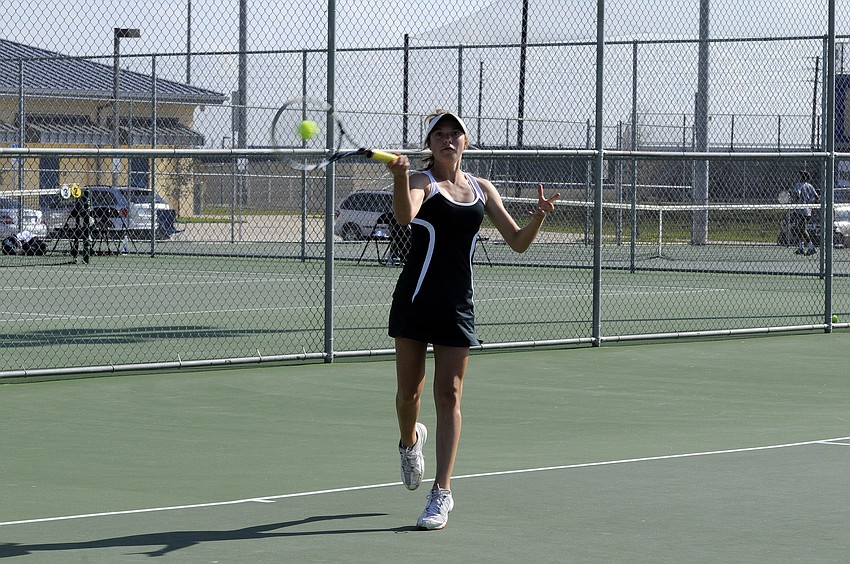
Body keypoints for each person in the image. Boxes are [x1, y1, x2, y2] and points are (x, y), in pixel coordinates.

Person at [385, 109, 560, 530]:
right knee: (410, 395)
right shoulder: (421, 182)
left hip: (457, 307)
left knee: (450, 397)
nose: (448, 139)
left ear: (465, 143)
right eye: (439, 134)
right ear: (429, 145)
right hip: (414, 301)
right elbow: (406, 217)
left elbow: (517, 242)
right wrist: (398, 175)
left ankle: (441, 493)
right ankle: (410, 443)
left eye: (455, 134)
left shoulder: (483, 190)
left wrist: (537, 217)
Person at [790, 170, 819, 255]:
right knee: (799, 229)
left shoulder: (798, 185)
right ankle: (800, 247)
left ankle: (811, 247)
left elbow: (797, 194)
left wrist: (794, 198)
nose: (800, 177)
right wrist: (814, 208)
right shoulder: (810, 186)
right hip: (807, 211)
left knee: (802, 229)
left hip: (800, 211)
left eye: (801, 175)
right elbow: (817, 197)